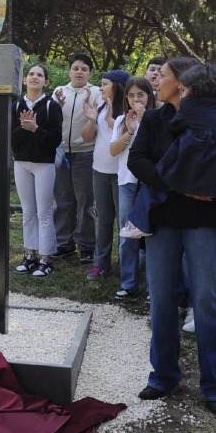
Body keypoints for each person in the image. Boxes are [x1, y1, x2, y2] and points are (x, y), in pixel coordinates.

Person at [131, 57, 216, 417]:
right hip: (164, 219)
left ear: (186, 84)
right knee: (161, 298)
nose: (158, 80)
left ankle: (215, 385)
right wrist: (177, 184)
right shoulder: (156, 119)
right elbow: (136, 161)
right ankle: (164, 376)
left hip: (208, 219)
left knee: (207, 299)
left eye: (167, 77)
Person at [12, 64, 63, 278]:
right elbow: (11, 138)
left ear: (46, 82)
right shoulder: (16, 105)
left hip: (44, 164)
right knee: (28, 212)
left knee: (44, 212)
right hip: (21, 163)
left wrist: (36, 129)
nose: (35, 77)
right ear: (24, 80)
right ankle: (30, 254)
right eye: (31, 74)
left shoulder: (52, 106)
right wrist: (25, 128)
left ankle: (46, 259)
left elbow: (55, 139)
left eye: (39, 75)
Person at [53, 53, 102, 263]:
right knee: (63, 201)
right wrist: (56, 105)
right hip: (62, 154)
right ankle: (63, 244)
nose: (79, 72)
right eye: (75, 68)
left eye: (84, 69)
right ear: (69, 71)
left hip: (86, 153)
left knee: (85, 202)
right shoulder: (59, 92)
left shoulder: (97, 93)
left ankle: (87, 246)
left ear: (90, 73)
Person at [113, 77, 157, 299]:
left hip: (149, 184)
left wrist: (144, 120)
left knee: (150, 234)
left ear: (149, 96)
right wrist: (129, 131)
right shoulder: (121, 119)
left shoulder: (157, 118)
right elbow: (112, 151)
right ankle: (128, 283)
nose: (135, 99)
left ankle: (153, 287)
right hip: (127, 183)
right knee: (126, 233)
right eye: (131, 95)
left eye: (140, 94)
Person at [84, 69, 129, 279]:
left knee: (124, 221)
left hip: (121, 175)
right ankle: (100, 263)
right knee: (103, 219)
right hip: (99, 171)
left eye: (104, 84)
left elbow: (121, 137)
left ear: (117, 87)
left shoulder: (128, 111)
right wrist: (92, 119)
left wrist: (111, 119)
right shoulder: (101, 107)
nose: (100, 88)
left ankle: (125, 263)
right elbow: (87, 137)